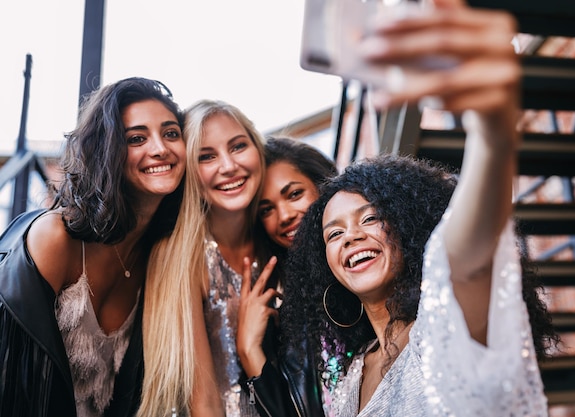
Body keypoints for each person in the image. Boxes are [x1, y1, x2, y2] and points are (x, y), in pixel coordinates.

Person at [277, 1, 558, 416]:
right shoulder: (349, 379)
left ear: (410, 230)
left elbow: (468, 254)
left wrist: (492, 133)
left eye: (370, 218)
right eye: (333, 233)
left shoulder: (447, 325)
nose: (351, 235)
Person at [0, 77, 186, 416]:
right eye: (136, 138)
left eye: (171, 133)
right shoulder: (55, 238)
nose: (160, 148)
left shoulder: (158, 255)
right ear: (107, 150)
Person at [142, 99, 269, 417]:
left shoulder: (277, 237)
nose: (228, 166)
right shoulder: (179, 258)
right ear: (189, 172)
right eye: (207, 156)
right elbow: (204, 404)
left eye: (238, 146)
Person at [236, 137, 337, 417]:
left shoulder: (370, 270)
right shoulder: (292, 321)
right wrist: (249, 350)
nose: (284, 215)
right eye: (266, 209)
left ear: (324, 187)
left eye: (294, 194)